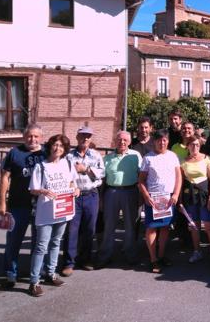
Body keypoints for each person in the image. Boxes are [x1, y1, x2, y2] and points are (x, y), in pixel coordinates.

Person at [28, 134, 80, 297]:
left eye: (61, 146)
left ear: (65, 150)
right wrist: (43, 191)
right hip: (46, 212)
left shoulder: (68, 163)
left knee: (56, 242)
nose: (58, 148)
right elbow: (32, 189)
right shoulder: (41, 166)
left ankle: (51, 274)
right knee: (41, 246)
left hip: (63, 210)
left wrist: (76, 189)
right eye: (55, 145)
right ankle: (34, 281)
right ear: (50, 146)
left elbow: (72, 181)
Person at [0, 123, 46, 289]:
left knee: (38, 242)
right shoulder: (14, 153)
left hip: (42, 206)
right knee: (13, 241)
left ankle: (36, 272)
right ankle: (11, 273)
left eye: (36, 136)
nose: (33, 139)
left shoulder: (47, 153)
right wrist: (2, 202)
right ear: (24, 137)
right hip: (18, 204)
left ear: (41, 138)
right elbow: (5, 178)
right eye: (29, 136)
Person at [62, 126, 105, 276]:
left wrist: (85, 169)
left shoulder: (96, 155)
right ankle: (69, 262)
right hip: (73, 195)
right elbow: (64, 175)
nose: (85, 139)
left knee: (89, 229)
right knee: (72, 229)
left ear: (91, 139)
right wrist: (72, 186)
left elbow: (101, 173)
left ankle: (86, 259)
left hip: (91, 194)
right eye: (82, 136)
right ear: (77, 137)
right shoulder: (69, 156)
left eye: (88, 136)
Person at [97, 131, 142, 268]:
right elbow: (103, 179)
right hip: (111, 192)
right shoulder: (107, 158)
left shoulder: (136, 156)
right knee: (109, 226)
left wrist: (141, 196)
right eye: (119, 139)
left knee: (130, 226)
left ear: (129, 142)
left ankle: (130, 255)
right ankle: (105, 255)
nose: (122, 142)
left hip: (130, 191)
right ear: (115, 141)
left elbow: (141, 176)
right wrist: (101, 198)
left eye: (125, 140)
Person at [138, 129, 181, 273]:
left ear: (168, 141)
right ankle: (153, 259)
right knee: (151, 228)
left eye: (164, 140)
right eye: (159, 140)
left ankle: (161, 256)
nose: (162, 143)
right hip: (153, 199)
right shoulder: (148, 158)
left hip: (168, 199)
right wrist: (146, 196)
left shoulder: (173, 156)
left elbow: (178, 177)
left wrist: (175, 194)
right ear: (154, 141)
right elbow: (141, 181)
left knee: (164, 228)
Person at [180, 135, 210, 264]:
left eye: (197, 145)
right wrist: (180, 201)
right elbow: (181, 183)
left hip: (204, 197)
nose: (195, 147)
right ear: (187, 146)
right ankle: (197, 251)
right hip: (190, 197)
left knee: (209, 226)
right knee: (194, 226)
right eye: (192, 145)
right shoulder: (183, 162)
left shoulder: (206, 159)